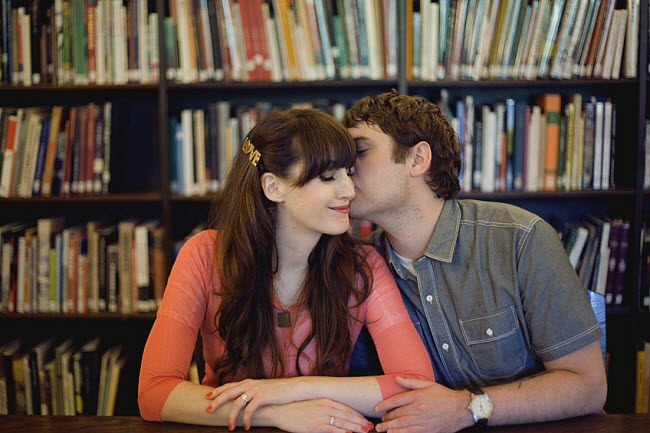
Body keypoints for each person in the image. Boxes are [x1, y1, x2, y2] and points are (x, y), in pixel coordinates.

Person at [138, 108, 434, 432]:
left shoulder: (362, 267)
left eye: (347, 173)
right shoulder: (204, 255)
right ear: (274, 187)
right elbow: (155, 393)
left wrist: (292, 392)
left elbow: (417, 386)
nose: (349, 189)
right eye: (328, 177)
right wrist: (274, 413)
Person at [342, 90, 607, 433]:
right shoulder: (361, 269)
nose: (343, 168)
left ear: (417, 159)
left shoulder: (518, 238)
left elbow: (588, 387)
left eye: (360, 151)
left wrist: (467, 408)